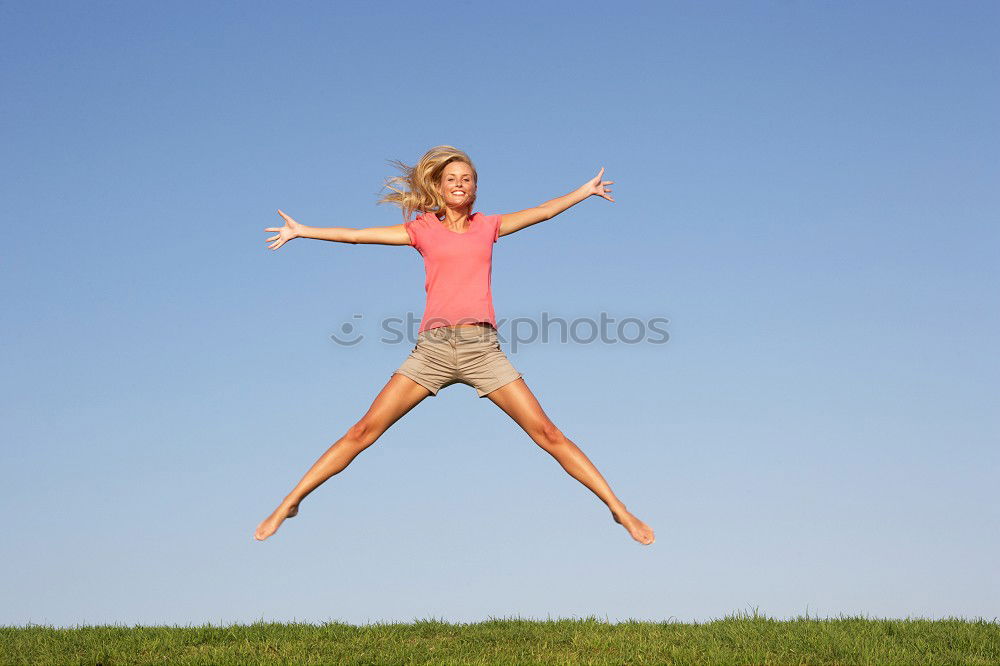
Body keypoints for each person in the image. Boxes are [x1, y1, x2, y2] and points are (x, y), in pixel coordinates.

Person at [254, 146, 654, 545]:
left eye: (466, 179)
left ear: (475, 188)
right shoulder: (423, 230)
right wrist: (303, 230)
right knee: (362, 431)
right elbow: (358, 237)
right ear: (439, 188)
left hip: (482, 350)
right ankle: (290, 502)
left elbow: (544, 211)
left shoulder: (489, 226)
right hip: (432, 351)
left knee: (547, 433)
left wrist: (583, 192)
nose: (459, 184)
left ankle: (618, 510)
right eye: (452, 179)